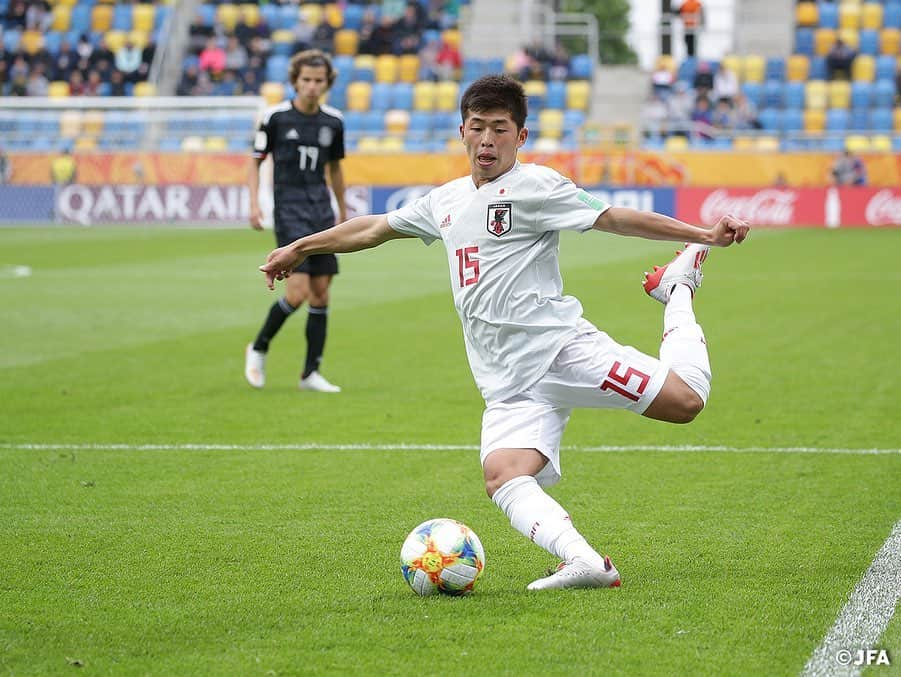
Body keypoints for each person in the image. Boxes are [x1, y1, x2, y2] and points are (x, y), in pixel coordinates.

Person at [258, 75, 750, 590]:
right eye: (478, 128)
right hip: (505, 378)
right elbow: (373, 227)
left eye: (500, 128)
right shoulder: (444, 201)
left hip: (559, 351)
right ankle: (585, 563)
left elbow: (614, 218)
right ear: (462, 133)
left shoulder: (538, 187)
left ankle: (677, 290)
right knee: (504, 474)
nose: (487, 139)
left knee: (687, 402)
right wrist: (301, 248)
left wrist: (701, 235)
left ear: (521, 136)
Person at [245, 49, 347, 393]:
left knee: (321, 293)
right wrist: (254, 204)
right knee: (299, 291)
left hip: (320, 210)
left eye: (319, 81)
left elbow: (335, 168)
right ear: (294, 81)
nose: (312, 87)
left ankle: (310, 373)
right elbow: (255, 161)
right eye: (306, 80)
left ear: (327, 83)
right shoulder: (274, 118)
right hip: (289, 210)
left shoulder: (333, 121)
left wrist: (342, 209)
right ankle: (258, 347)